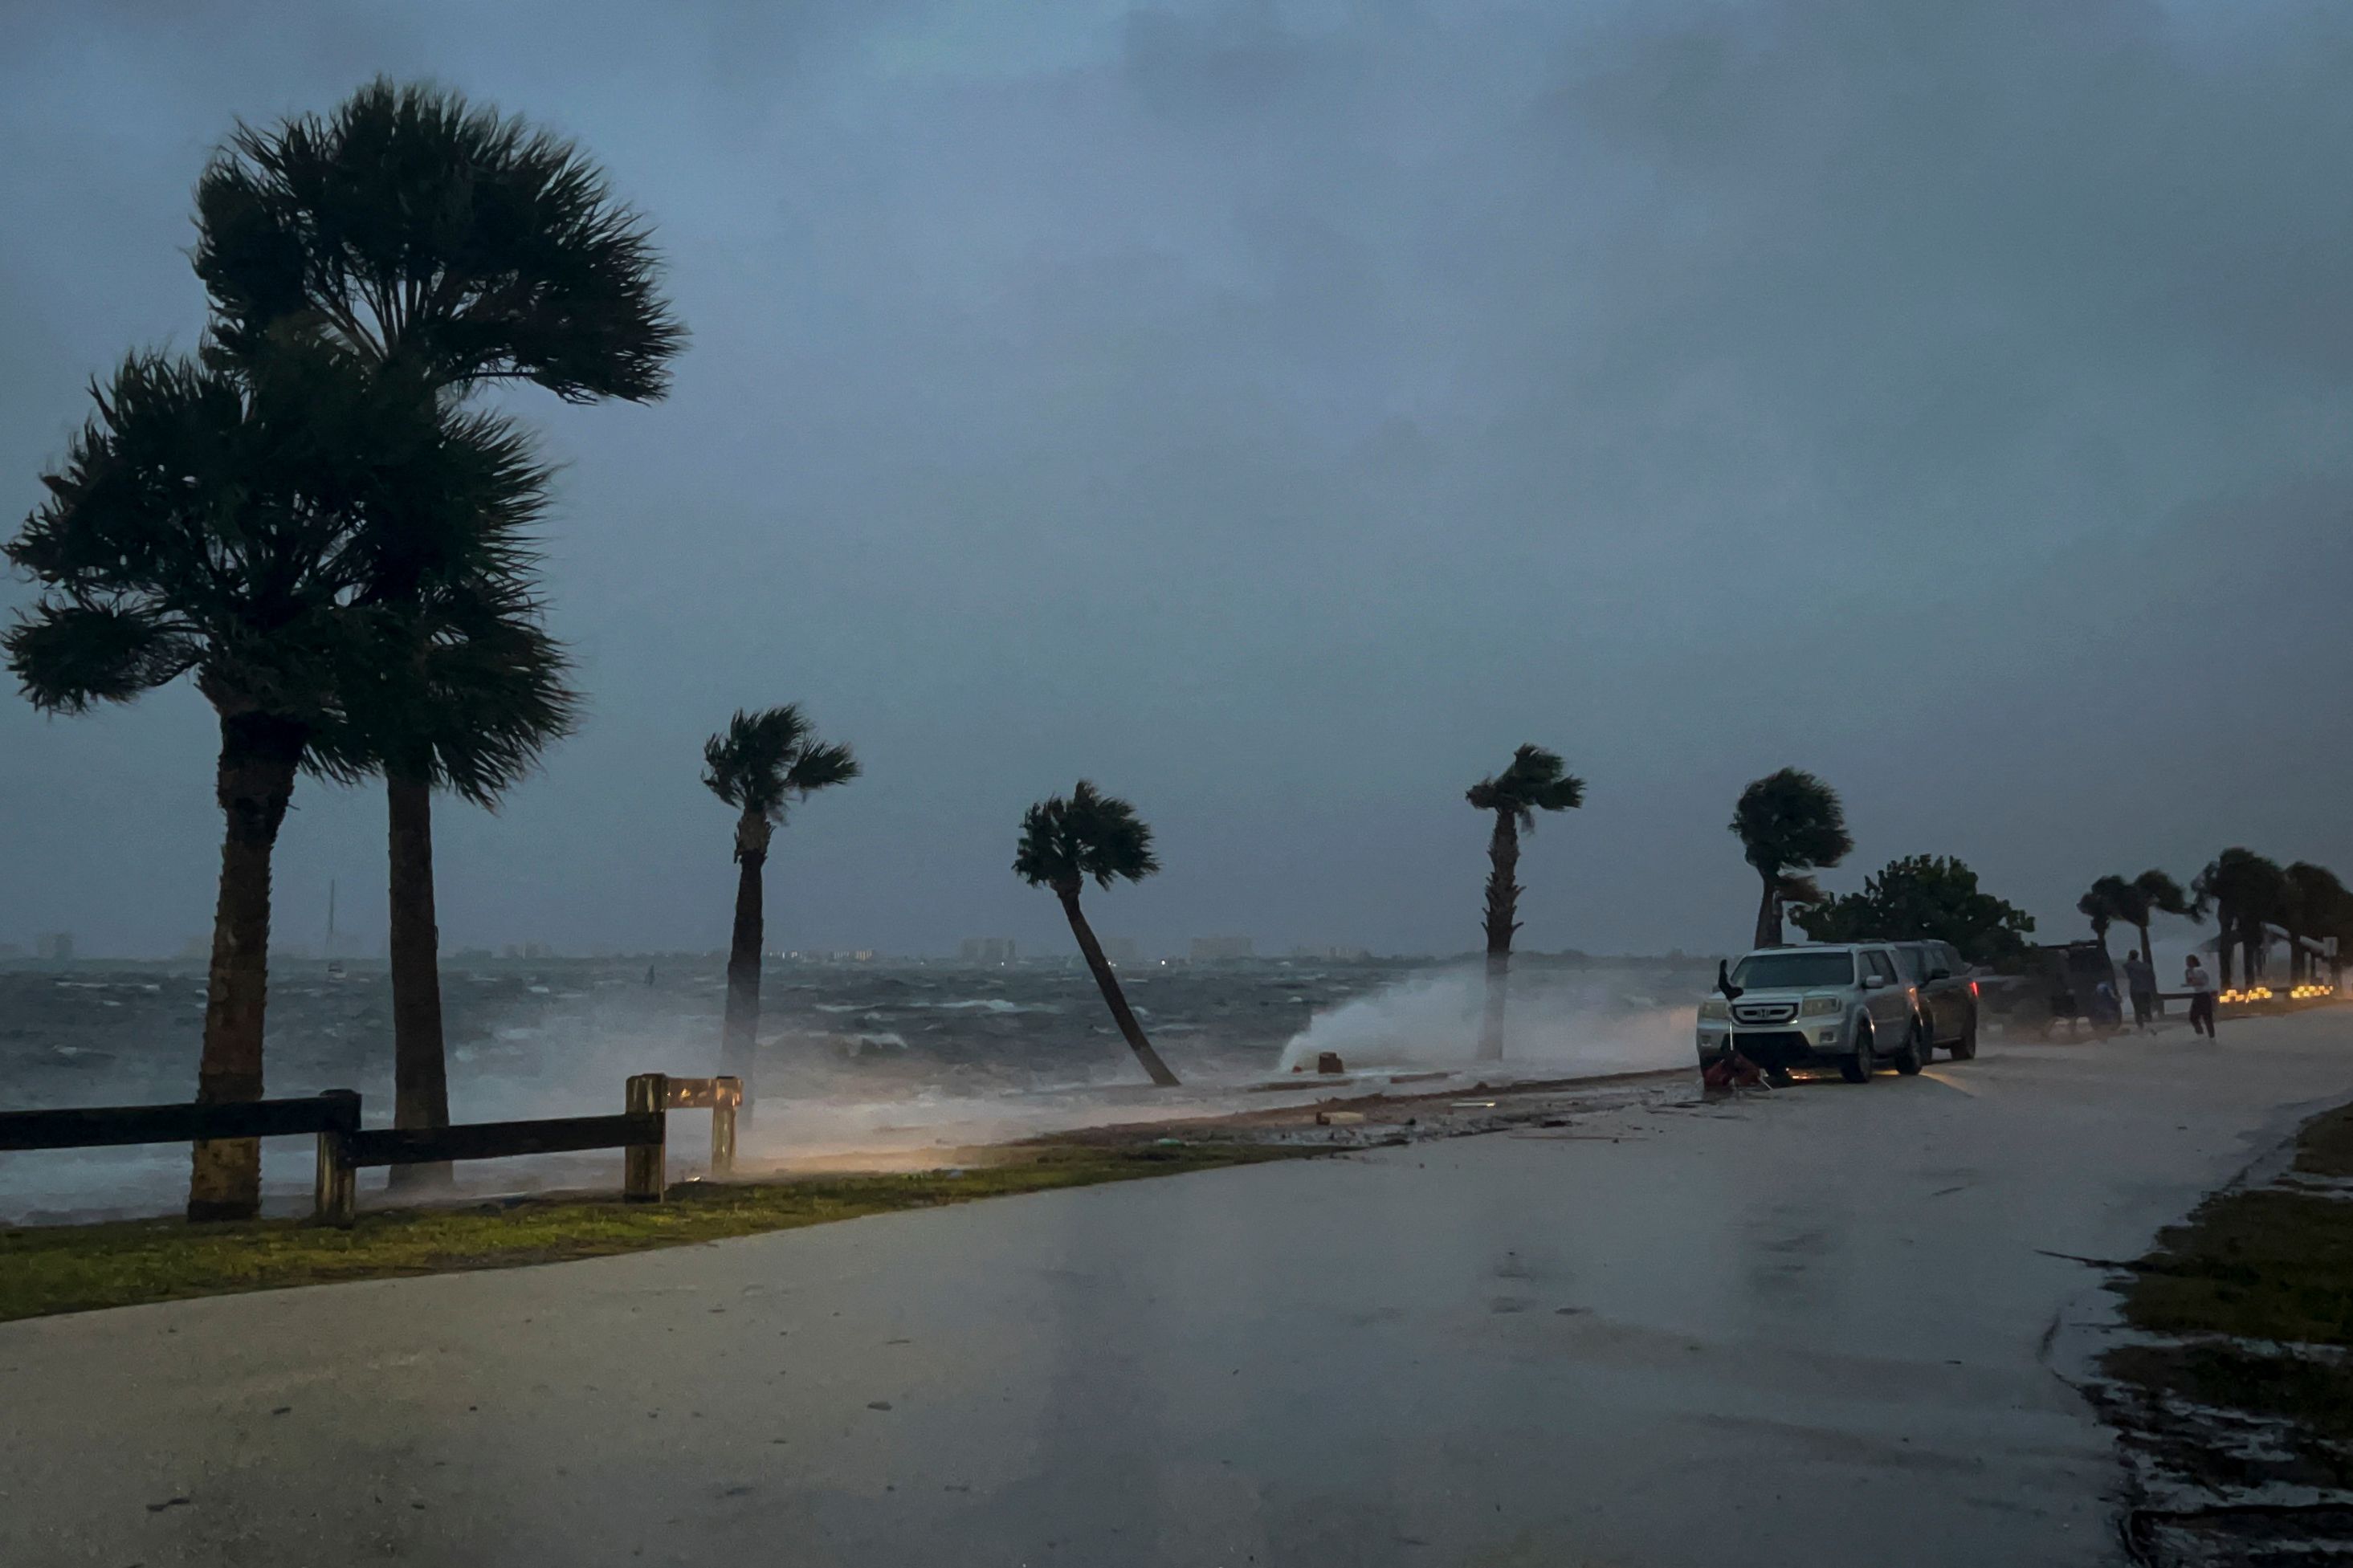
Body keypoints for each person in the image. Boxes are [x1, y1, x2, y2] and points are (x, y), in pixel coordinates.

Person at [2184, 955, 2218, 1038]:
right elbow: (2190, 982)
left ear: (2193, 962)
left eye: (2188, 961)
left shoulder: (2198, 970)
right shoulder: (2191, 971)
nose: (2187, 963)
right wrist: (2187, 974)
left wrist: (2191, 982)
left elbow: (2200, 982)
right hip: (2200, 994)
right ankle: (2206, 1036)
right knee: (2201, 1017)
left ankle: (2207, 1036)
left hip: (2203, 994)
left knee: (2203, 1017)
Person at [2124, 949, 2157, 1031]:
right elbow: (2152, 978)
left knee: (2137, 1009)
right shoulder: (2146, 966)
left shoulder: (2128, 965)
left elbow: (2126, 967)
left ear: (2130, 956)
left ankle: (2140, 1027)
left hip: (2135, 990)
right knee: (2147, 1007)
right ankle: (2149, 1024)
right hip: (2146, 989)